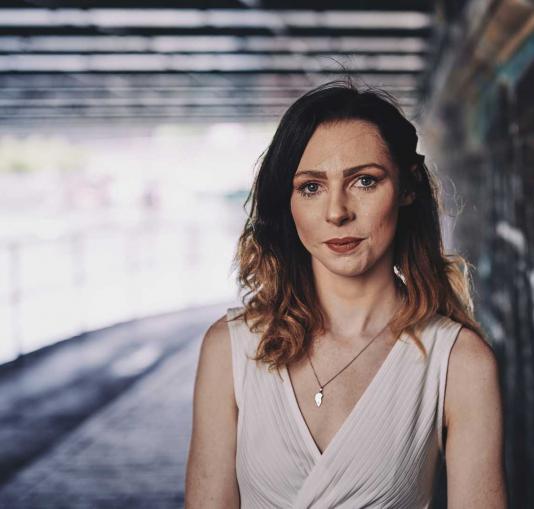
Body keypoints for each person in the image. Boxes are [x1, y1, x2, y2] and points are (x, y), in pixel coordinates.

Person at [185, 78, 506, 508]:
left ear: (407, 189)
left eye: (365, 182)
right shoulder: (229, 349)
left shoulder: (460, 362)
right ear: (289, 201)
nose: (337, 212)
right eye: (311, 187)